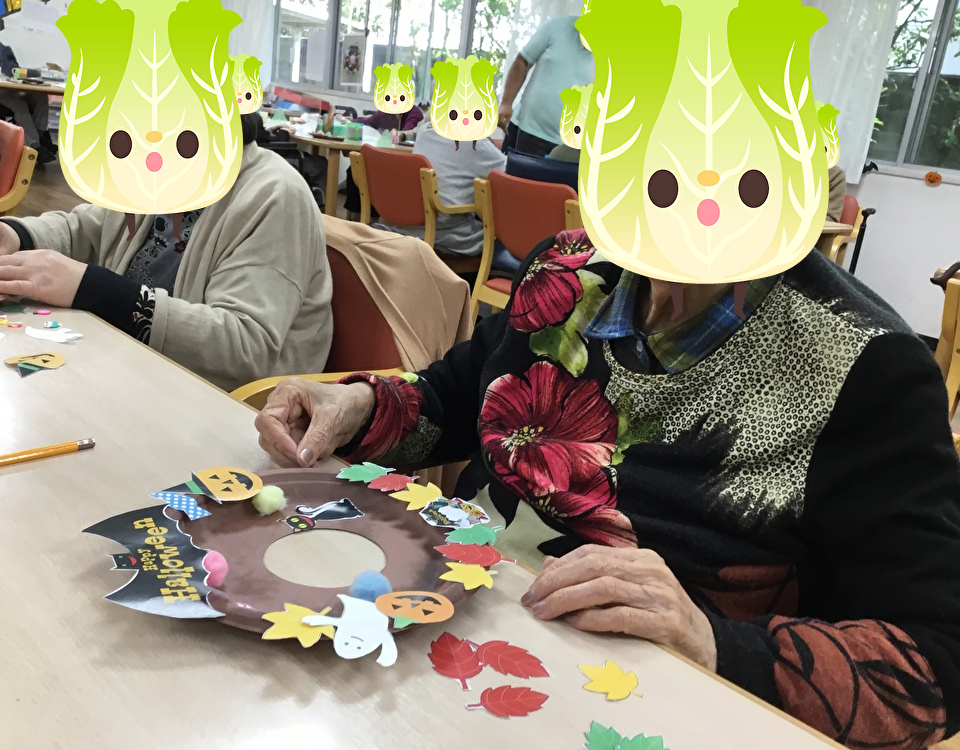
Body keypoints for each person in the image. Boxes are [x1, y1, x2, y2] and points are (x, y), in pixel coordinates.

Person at [256, 229, 960, 747]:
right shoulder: (565, 267)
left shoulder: (869, 370)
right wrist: (361, 406)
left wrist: (711, 641)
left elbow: (937, 659)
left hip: (634, 708)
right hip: (432, 644)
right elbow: (458, 395)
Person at [0, 115, 333, 392]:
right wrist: (14, 235)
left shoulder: (275, 195)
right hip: (135, 369)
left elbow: (244, 347)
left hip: (222, 406)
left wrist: (91, 287)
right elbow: (86, 228)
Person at [375, 120, 505, 261]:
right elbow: (510, 173)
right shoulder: (475, 141)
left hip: (407, 227)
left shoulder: (424, 131)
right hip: (448, 236)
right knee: (502, 234)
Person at [498, 15, 594, 157]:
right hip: (525, 130)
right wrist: (506, 103)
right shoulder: (557, 25)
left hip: (569, 147)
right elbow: (523, 61)